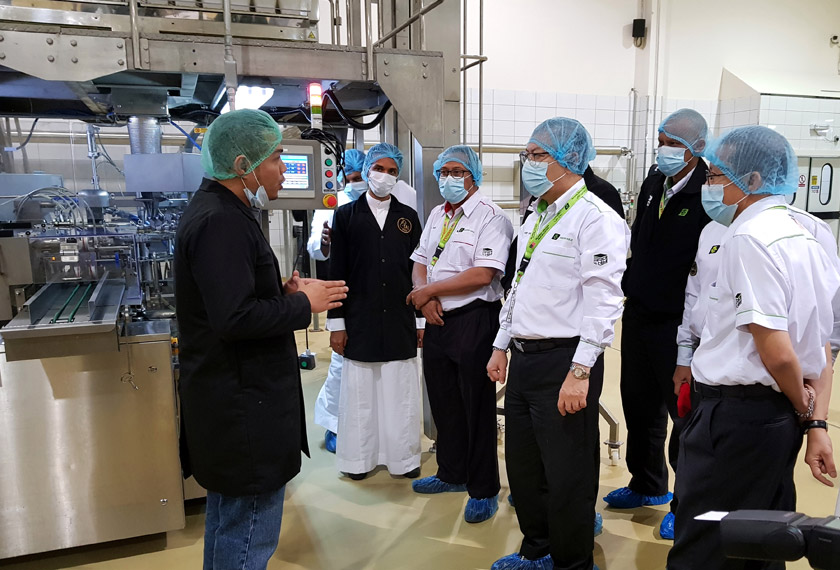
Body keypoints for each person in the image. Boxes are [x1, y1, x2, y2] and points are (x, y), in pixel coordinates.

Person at [175, 109, 348, 570]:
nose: (283, 170)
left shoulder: (222, 210)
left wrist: (280, 294)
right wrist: (304, 304)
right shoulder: (221, 222)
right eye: (275, 159)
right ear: (242, 165)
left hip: (233, 400)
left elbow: (234, 299)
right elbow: (234, 319)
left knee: (229, 523)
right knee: (248, 532)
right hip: (242, 407)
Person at [666, 126, 840, 570]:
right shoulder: (807, 235)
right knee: (761, 538)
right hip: (775, 419)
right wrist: (814, 421)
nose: (709, 186)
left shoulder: (749, 237)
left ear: (753, 180)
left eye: (715, 176)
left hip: (737, 417)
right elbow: (821, 341)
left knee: (705, 540)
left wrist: (803, 407)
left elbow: (777, 351)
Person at [486, 118, 629, 570]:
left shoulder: (596, 218)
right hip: (525, 359)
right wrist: (501, 344)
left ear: (568, 160)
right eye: (527, 154)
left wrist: (580, 371)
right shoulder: (538, 214)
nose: (527, 163)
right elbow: (519, 285)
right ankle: (538, 548)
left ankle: (572, 562)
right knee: (524, 467)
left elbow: (604, 301)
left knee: (568, 473)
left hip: (566, 361)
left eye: (537, 155)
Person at [605, 108, 711, 540]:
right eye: (661, 142)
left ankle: (686, 504)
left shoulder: (708, 191)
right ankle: (647, 483)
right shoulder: (655, 181)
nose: (663, 150)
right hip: (640, 313)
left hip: (679, 323)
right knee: (639, 404)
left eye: (673, 145)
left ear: (696, 149)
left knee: (683, 416)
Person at [406, 145, 513, 523]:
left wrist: (429, 292)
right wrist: (424, 298)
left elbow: (484, 273)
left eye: (457, 172)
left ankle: (483, 489)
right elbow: (420, 261)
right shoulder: (438, 213)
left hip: (474, 320)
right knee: (444, 401)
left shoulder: (492, 217)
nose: (449, 179)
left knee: (476, 407)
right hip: (438, 320)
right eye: (444, 172)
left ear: (473, 176)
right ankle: (451, 472)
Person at [326, 142, 424, 481]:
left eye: (392, 171)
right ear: (368, 171)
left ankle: (404, 459)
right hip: (360, 315)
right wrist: (336, 324)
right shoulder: (346, 216)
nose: (385, 176)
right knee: (361, 393)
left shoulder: (408, 218)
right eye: (379, 169)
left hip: (399, 315)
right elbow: (336, 272)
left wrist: (420, 320)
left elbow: (418, 272)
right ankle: (359, 460)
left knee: (401, 392)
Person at [308, 148, 367, 454]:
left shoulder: (385, 203)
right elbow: (314, 248)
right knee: (342, 364)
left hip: (377, 295)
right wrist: (324, 243)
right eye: (351, 178)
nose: (356, 184)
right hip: (343, 291)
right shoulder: (333, 204)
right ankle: (335, 424)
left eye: (361, 177)